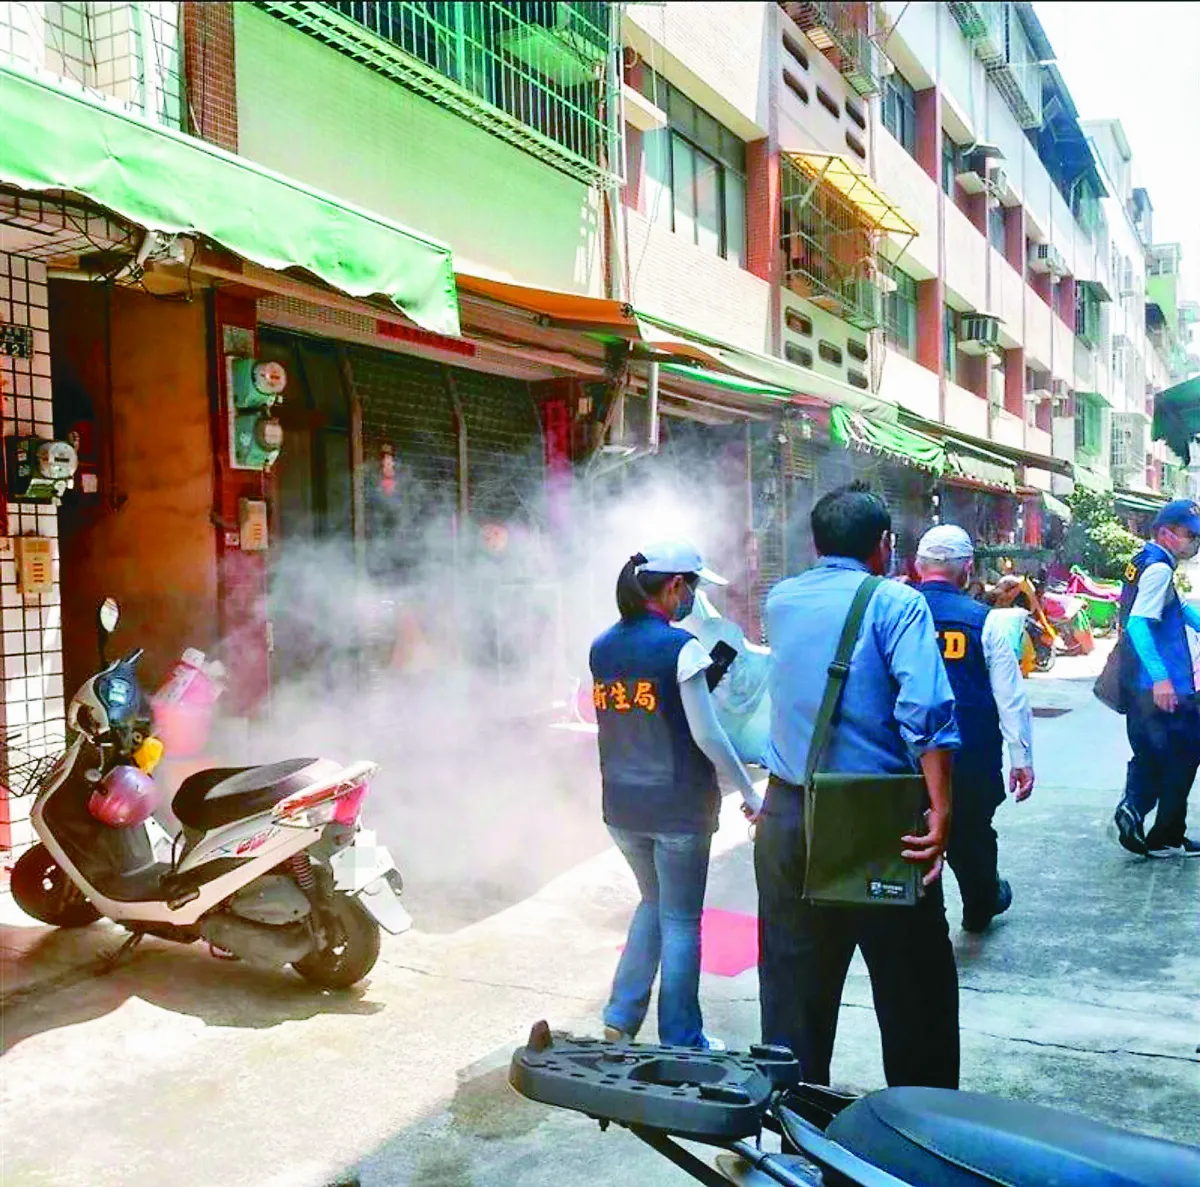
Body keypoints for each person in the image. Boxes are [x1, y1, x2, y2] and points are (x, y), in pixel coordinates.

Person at [757, 483, 961, 1089]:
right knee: (914, 991)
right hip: (879, 822)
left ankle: (794, 1137)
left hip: (789, 815)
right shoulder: (898, 605)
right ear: (884, 546)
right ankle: (921, 1138)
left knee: (792, 992)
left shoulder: (780, 601)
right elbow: (925, 713)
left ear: (816, 544)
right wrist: (942, 811)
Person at [590, 540, 763, 1049]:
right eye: (692, 588)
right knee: (682, 921)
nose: (692, 598)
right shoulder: (681, 649)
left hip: (621, 806)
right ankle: (683, 1038)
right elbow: (708, 734)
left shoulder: (601, 646)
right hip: (678, 809)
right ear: (674, 587)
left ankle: (621, 1015)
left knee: (653, 901)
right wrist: (751, 793)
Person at [913, 525, 1035, 932]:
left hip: (905, 757)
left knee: (911, 835)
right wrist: (1021, 758)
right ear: (967, 569)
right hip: (971, 756)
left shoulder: (892, 613)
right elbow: (1010, 696)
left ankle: (923, 916)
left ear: (917, 566)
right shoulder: (988, 622)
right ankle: (981, 904)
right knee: (973, 835)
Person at [1113, 499, 1200, 858]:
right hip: (1162, 685)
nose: (1195, 543)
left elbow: (1171, 608)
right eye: (1190, 535)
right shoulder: (1159, 569)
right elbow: (1138, 623)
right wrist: (1162, 678)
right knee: (1184, 753)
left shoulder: (1145, 560)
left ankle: (1135, 810)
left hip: (1139, 681)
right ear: (1166, 533)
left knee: (1152, 751)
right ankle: (1159, 828)